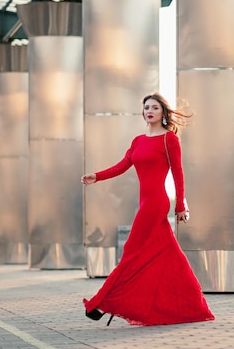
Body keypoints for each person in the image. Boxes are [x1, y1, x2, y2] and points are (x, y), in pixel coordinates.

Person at [81, 93, 215, 326]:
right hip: (145, 203)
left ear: (163, 112)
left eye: (154, 107)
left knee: (132, 252)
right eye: (146, 107)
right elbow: (123, 165)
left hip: (156, 203)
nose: (149, 111)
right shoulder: (138, 141)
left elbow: (178, 173)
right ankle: (192, 306)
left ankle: (101, 303)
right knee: (168, 255)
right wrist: (97, 176)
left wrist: (180, 205)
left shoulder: (169, 140)